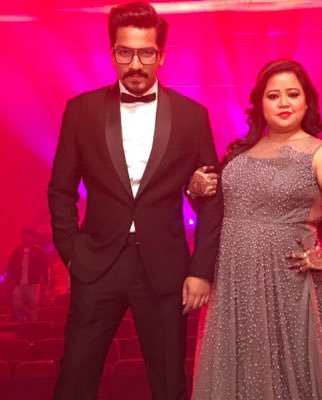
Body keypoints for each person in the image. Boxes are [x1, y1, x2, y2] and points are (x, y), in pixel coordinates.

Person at [47, 2, 223, 399]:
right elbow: (60, 189)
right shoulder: (81, 111)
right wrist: (72, 253)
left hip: (164, 270)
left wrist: (201, 271)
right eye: (125, 53)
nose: (136, 64)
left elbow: (211, 199)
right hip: (96, 265)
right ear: (112, 53)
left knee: (169, 385)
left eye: (146, 53)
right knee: (74, 380)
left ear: (161, 56)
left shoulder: (193, 116)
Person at [191, 59, 322, 399]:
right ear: (260, 103)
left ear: (307, 102)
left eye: (293, 94)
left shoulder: (320, 154)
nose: (284, 102)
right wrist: (196, 190)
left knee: (291, 372)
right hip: (233, 282)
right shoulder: (240, 151)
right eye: (273, 96)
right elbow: (216, 212)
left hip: (286, 282)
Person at [6, 228, 48, 322]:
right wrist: (9, 280)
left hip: (33, 284)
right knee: (17, 304)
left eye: (28, 236)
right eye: (24, 235)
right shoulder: (17, 251)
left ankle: (33, 325)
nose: (25, 238)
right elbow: (11, 267)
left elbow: (44, 268)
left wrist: (45, 283)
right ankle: (21, 321)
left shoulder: (38, 251)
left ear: (32, 237)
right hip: (18, 283)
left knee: (33, 306)